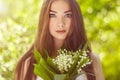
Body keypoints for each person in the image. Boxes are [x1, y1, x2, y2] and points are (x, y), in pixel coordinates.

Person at [15, 0, 105, 80]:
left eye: (68, 15)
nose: (61, 23)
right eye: (52, 15)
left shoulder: (92, 61)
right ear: (44, 18)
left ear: (76, 19)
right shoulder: (29, 62)